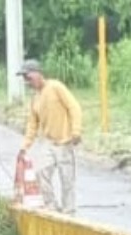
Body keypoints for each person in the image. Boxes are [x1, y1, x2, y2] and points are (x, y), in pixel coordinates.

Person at [17, 57, 81, 212]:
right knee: (40, 173)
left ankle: (69, 212)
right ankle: (52, 207)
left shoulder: (55, 87)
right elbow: (32, 125)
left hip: (65, 142)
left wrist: (76, 131)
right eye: (25, 79)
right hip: (48, 142)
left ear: (38, 74)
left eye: (28, 77)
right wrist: (24, 146)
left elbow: (74, 107)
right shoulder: (35, 99)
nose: (27, 81)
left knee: (67, 180)